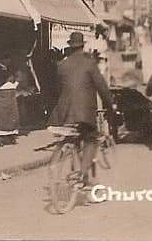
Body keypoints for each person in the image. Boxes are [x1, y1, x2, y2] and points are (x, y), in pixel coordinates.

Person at [49, 32, 115, 183]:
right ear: (83, 45)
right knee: (91, 139)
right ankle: (82, 175)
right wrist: (110, 105)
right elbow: (102, 87)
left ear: (70, 46)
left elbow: (58, 89)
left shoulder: (62, 65)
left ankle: (78, 168)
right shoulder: (89, 63)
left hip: (64, 112)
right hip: (84, 112)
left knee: (76, 137)